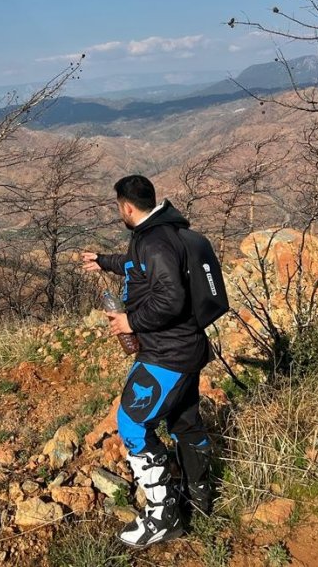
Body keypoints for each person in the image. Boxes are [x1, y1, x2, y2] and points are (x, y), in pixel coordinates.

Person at [82, 174, 213, 550]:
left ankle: (163, 516)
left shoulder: (154, 242)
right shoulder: (158, 232)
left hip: (166, 354)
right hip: (185, 348)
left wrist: (130, 322)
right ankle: (199, 502)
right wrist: (104, 261)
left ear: (125, 206)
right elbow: (139, 267)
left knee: (132, 424)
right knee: (185, 422)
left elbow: (170, 298)